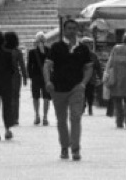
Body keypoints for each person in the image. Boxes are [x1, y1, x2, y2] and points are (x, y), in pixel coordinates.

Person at [44, 17, 94, 161]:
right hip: (58, 88)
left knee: (76, 117)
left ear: (77, 30)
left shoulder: (83, 48)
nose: (71, 31)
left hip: (76, 88)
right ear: (64, 30)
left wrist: (83, 83)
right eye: (69, 28)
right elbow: (47, 66)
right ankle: (64, 146)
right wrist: (48, 81)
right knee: (61, 120)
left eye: (74, 28)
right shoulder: (56, 47)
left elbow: (88, 67)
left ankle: (75, 149)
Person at [106, 32, 126, 128]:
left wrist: (107, 73)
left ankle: (119, 122)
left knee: (117, 100)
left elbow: (110, 62)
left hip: (115, 77)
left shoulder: (115, 48)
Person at [27, 32, 51, 126]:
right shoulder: (49, 51)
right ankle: (44, 117)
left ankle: (37, 116)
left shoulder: (32, 52)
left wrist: (31, 76)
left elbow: (29, 66)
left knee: (36, 97)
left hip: (36, 77)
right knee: (45, 97)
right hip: (46, 77)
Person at [5, 32, 27, 126]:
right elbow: (22, 65)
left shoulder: (3, 50)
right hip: (16, 76)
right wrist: (25, 76)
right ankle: (15, 118)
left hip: (5, 76)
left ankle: (9, 116)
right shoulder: (17, 51)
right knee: (16, 97)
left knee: (7, 97)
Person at [83, 38, 101, 116]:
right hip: (81, 78)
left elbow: (97, 66)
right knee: (81, 93)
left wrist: (100, 76)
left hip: (91, 78)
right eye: (86, 44)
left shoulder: (93, 55)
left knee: (90, 93)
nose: (88, 45)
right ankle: (83, 106)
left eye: (89, 44)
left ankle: (90, 107)